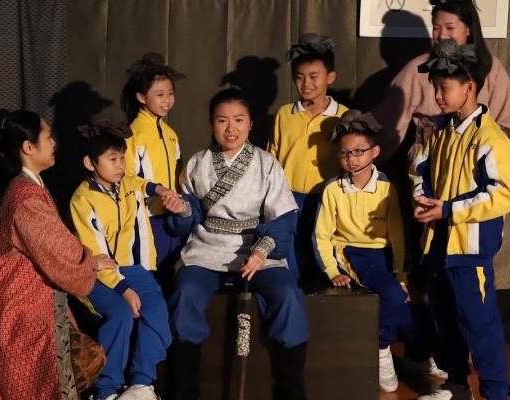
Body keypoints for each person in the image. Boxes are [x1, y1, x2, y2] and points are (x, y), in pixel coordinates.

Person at [0, 109, 115, 400]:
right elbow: (58, 248)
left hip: (14, 298)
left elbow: (54, 245)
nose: (54, 142)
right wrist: (89, 261)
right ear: (28, 147)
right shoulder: (25, 196)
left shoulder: (27, 187)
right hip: (12, 307)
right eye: (48, 137)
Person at [165, 88, 310, 400]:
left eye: (239, 120)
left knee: (288, 295)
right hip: (207, 247)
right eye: (222, 120)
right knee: (185, 292)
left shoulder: (267, 164)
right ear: (211, 124)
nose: (230, 128)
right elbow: (189, 216)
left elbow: (284, 217)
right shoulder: (198, 163)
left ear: (250, 124)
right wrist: (182, 210)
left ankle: (290, 392)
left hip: (258, 248)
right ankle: (185, 390)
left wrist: (262, 250)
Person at [411, 39, 510, 400]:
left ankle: (496, 393)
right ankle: (456, 384)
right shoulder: (439, 131)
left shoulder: (491, 137)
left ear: (469, 87)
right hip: (437, 243)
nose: (438, 96)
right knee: (444, 318)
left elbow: (502, 193)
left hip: (470, 250)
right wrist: (421, 197)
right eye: (435, 88)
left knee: (479, 324)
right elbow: (418, 169)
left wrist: (449, 209)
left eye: (444, 88)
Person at [69, 121, 180, 400]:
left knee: (156, 309)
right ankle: (106, 390)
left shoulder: (126, 184)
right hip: (97, 277)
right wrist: (124, 290)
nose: (121, 165)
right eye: (113, 159)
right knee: (119, 314)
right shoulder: (82, 200)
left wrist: (159, 189)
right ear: (90, 163)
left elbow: (139, 183)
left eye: (122, 158)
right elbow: (97, 257)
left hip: (134, 270)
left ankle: (141, 385)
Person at [313, 110, 411, 392]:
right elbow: (321, 236)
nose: (351, 159)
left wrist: (401, 274)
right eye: (345, 153)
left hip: (385, 253)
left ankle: (418, 357)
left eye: (358, 151)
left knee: (410, 309)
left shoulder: (387, 187)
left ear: (374, 152)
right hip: (354, 253)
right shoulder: (333, 189)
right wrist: (332, 270)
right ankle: (381, 349)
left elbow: (397, 235)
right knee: (394, 295)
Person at [374, 0, 510, 162]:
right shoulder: (419, 68)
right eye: (436, 28)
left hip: (479, 157)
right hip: (430, 158)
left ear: (468, 29)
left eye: (450, 28)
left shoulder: (490, 67)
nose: (442, 35)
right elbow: (387, 120)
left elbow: (507, 120)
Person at [267, 32, 348, 283]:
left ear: (330, 77)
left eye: (314, 77)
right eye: (299, 77)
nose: (306, 84)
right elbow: (272, 155)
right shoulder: (284, 114)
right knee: (289, 253)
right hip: (287, 198)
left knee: (318, 251)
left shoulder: (343, 116)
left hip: (326, 197)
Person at [121, 52, 186, 292]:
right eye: (159, 95)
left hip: (171, 216)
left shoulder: (170, 134)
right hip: (146, 218)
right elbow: (125, 177)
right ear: (141, 97)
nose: (167, 100)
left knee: (171, 275)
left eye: (170, 93)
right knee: (150, 279)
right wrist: (155, 189)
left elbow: (178, 174)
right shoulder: (132, 134)